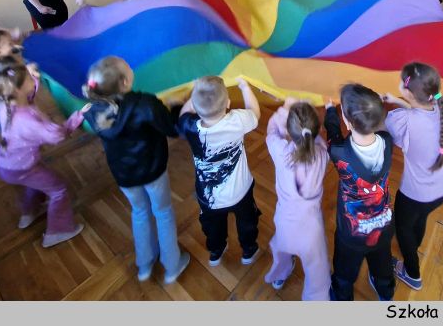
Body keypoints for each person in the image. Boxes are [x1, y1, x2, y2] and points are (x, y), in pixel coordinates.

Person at [82, 56, 190, 284]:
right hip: (153, 171)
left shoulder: (94, 110)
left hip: (124, 176)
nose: (132, 68)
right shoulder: (146, 104)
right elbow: (172, 128)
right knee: (163, 212)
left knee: (139, 212)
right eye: (128, 68)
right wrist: (175, 106)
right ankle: (172, 266)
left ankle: (144, 265)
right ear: (124, 82)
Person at [0, 63, 87, 248]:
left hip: (6, 163)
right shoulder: (27, 120)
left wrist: (33, 76)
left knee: (34, 182)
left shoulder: (7, 102)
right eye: (28, 79)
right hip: (22, 168)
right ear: (18, 89)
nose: (33, 79)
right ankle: (58, 232)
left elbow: (29, 94)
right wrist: (77, 117)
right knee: (59, 190)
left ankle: (29, 213)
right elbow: (57, 135)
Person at [381, 63, 443, 291]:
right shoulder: (440, 107)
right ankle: (414, 245)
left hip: (415, 194)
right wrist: (398, 100)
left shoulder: (402, 120)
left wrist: (391, 105)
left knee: (402, 229)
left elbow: (388, 128)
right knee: (419, 220)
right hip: (439, 191)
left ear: (409, 92)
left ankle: (412, 273)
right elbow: (418, 110)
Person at [178, 76, 262, 267]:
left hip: (209, 198)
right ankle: (249, 249)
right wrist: (245, 86)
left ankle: (216, 250)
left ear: (195, 108)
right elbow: (255, 113)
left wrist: (194, 94)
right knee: (247, 222)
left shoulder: (190, 127)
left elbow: (184, 113)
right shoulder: (237, 120)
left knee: (212, 227)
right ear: (228, 103)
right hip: (241, 191)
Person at [325, 84, 395, 301]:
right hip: (383, 226)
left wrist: (330, 110)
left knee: (344, 273)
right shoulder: (388, 142)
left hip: (351, 234)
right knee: (382, 263)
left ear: (347, 122)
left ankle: (342, 297)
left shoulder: (339, 152)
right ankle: (386, 291)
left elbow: (333, 133)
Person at [263, 98, 331, 300]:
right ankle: (316, 299)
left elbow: (271, 131)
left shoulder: (280, 151)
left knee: (282, 250)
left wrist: (284, 108)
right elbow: (317, 141)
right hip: (311, 230)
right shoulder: (323, 154)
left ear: (288, 130)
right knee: (317, 270)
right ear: (318, 130)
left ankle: (280, 274)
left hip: (284, 222)